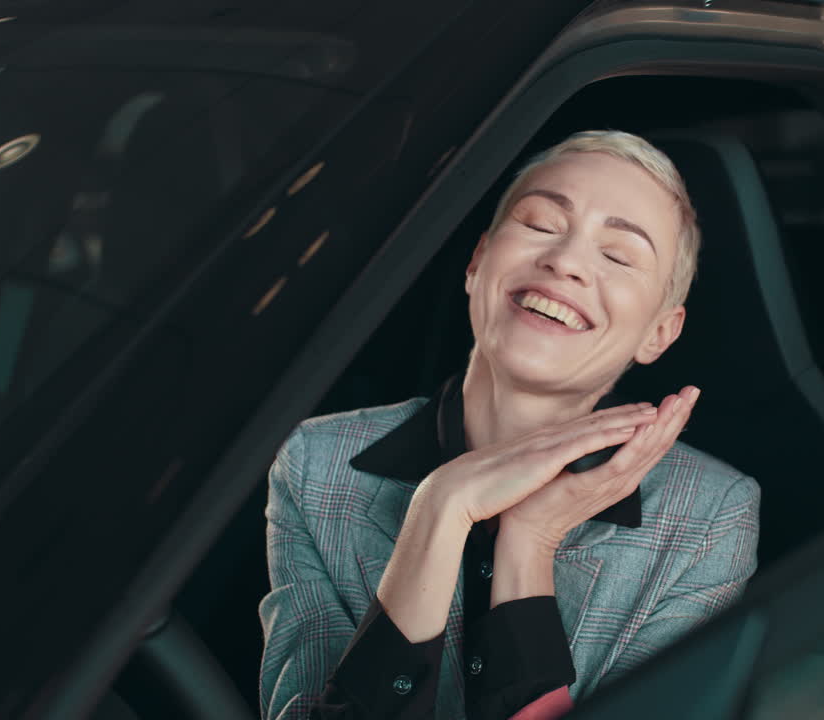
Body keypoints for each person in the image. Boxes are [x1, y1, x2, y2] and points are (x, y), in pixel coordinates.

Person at [259, 130, 761, 720]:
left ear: (660, 332)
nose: (565, 261)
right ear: (477, 263)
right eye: (542, 223)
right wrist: (440, 509)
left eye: (619, 256)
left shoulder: (708, 516)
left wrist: (530, 539)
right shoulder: (316, 463)